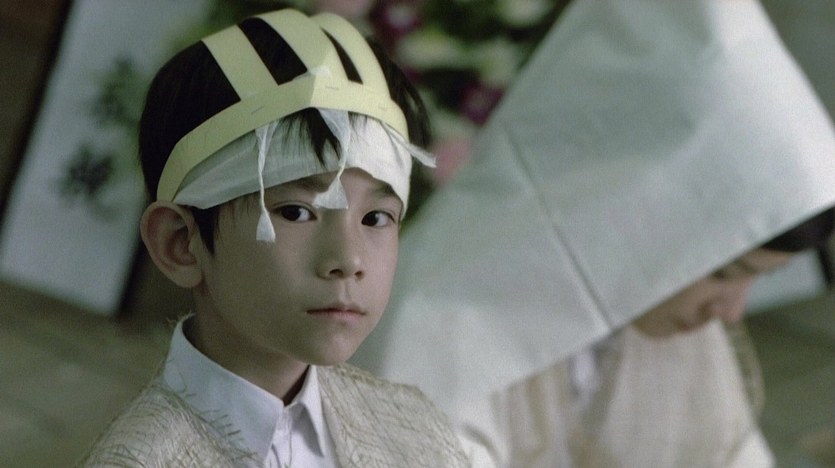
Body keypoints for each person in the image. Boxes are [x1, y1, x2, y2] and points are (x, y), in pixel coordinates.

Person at [351, 0, 835, 466]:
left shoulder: (670, 325)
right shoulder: (434, 333)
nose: (730, 312)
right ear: (640, 214)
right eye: (725, 272)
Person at [78, 9, 470, 467]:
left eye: (376, 218)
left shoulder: (415, 426)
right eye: (296, 212)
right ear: (181, 243)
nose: (348, 259)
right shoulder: (141, 460)